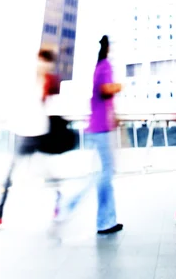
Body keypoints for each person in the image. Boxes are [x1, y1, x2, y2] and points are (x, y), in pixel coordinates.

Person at [55, 35, 124, 235]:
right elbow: (105, 90)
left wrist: (115, 115)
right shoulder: (105, 66)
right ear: (108, 47)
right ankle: (93, 216)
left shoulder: (99, 66)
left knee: (102, 173)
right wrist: (119, 86)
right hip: (101, 127)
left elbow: (103, 95)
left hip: (99, 125)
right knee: (104, 174)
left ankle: (105, 219)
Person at [0, 48, 59, 227]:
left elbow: (49, 103)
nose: (43, 65)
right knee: (10, 174)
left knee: (46, 171)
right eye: (41, 61)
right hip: (25, 133)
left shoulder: (48, 82)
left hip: (40, 133)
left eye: (46, 62)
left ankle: (59, 201)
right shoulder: (29, 80)